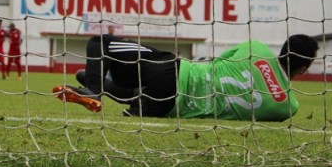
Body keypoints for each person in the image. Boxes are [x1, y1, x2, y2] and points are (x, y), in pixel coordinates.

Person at [53, 34, 318, 121]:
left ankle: (93, 86)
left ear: (283, 48)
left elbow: (217, 62)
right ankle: (99, 81)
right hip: (172, 109)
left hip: (174, 71)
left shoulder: (256, 49)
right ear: (305, 68)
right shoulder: (287, 107)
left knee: (100, 42)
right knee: (137, 95)